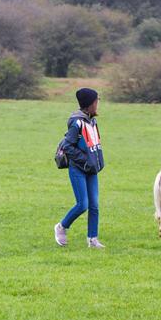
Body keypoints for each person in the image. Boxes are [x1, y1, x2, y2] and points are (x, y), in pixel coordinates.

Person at [54, 88, 106, 248]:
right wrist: (84, 161)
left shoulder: (92, 122)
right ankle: (61, 227)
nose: (98, 104)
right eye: (96, 101)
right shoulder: (77, 123)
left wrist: (95, 163)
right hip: (78, 169)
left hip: (91, 170)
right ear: (89, 104)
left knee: (94, 205)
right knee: (82, 204)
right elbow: (68, 146)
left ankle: (92, 239)